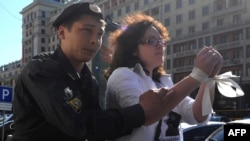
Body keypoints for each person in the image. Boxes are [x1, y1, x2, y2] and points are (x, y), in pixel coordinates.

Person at [12, 2, 176, 141]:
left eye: (99, 34)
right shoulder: (41, 70)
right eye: (86, 31)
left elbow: (98, 129)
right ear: (62, 32)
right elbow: (79, 125)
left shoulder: (87, 80)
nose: (94, 40)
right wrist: (140, 110)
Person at [104, 12, 223, 141]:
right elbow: (145, 115)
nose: (160, 45)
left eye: (161, 40)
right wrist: (197, 76)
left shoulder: (163, 81)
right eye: (151, 41)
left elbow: (198, 115)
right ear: (132, 49)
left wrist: (209, 79)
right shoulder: (122, 75)